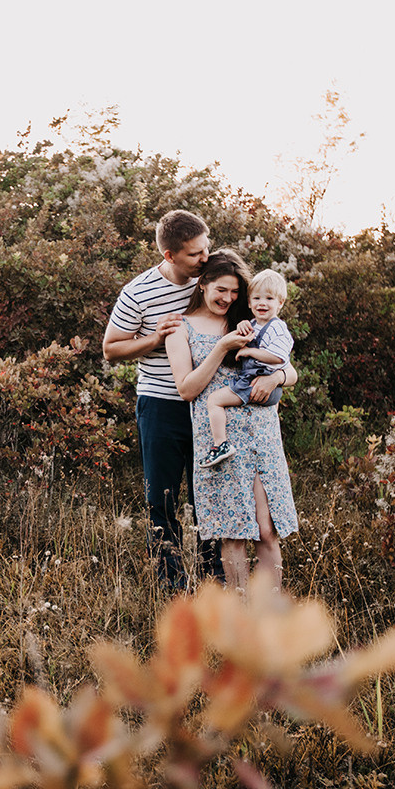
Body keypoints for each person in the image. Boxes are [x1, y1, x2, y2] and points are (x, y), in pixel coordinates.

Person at [102, 211, 280, 592]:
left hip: (214, 408)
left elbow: (270, 337)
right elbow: (111, 349)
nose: (204, 260)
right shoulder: (139, 291)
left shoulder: (218, 282)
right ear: (170, 256)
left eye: (207, 250)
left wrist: (278, 375)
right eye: (195, 255)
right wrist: (154, 339)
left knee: (211, 496)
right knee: (162, 497)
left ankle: (213, 584)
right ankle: (170, 585)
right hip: (163, 403)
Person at [165, 250, 299, 591]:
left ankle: (270, 614)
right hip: (220, 439)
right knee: (234, 532)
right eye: (221, 290)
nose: (228, 298)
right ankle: (239, 619)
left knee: (266, 530)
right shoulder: (180, 328)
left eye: (235, 291)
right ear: (203, 284)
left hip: (261, 432)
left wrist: (275, 379)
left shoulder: (250, 319)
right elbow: (187, 388)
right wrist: (222, 346)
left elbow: (289, 368)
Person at [197, 269, 293, 468]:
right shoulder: (254, 323)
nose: (262, 303)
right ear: (249, 302)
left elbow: (278, 357)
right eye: (256, 298)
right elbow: (248, 330)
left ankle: (220, 444)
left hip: (260, 380)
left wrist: (250, 352)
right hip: (256, 381)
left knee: (214, 400)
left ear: (280, 303)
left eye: (269, 298)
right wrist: (242, 325)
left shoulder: (277, 328)